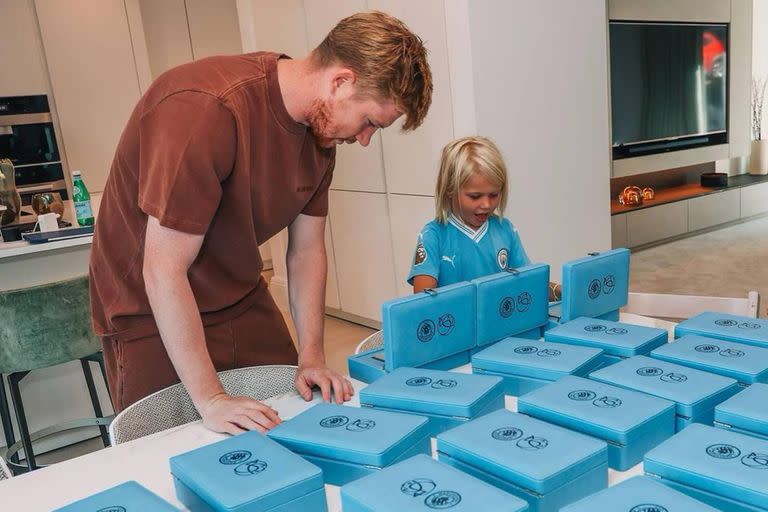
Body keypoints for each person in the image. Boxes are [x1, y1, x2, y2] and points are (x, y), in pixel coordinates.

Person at [89, 11, 433, 435]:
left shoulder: (321, 136)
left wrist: (312, 356)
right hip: (147, 304)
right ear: (340, 81)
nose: (364, 139)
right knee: (176, 447)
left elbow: (307, 251)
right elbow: (163, 268)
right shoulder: (204, 109)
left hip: (238, 291)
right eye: (369, 123)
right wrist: (210, 398)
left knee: (295, 418)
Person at [408, 136, 561, 301]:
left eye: (494, 195)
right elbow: (422, 304)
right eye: (475, 196)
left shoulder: (505, 229)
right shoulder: (433, 236)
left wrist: (563, 290)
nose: (487, 204)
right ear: (449, 190)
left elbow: (530, 281)